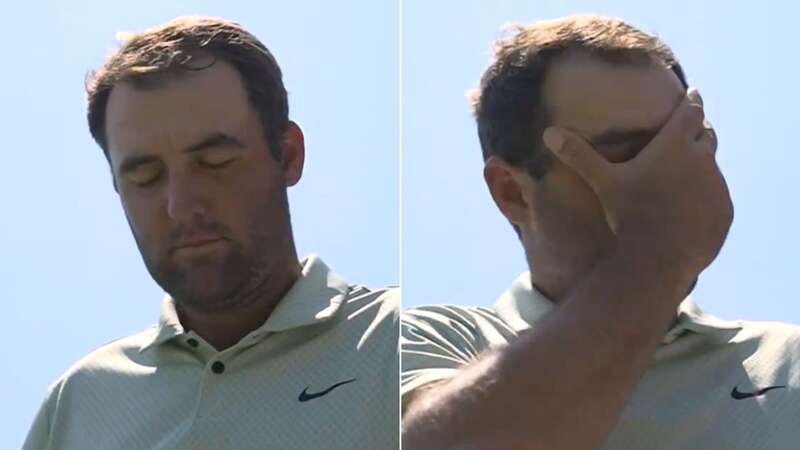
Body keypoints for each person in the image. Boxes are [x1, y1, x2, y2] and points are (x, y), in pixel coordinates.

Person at [401, 15, 800, 450]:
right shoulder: (422, 343)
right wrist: (657, 255)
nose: (673, 179)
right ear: (513, 192)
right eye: (629, 153)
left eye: (686, 146)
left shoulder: (789, 361)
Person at [23, 16, 398, 450]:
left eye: (215, 161)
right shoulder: (79, 404)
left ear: (288, 156)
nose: (181, 206)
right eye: (145, 177)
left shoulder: (401, 339)